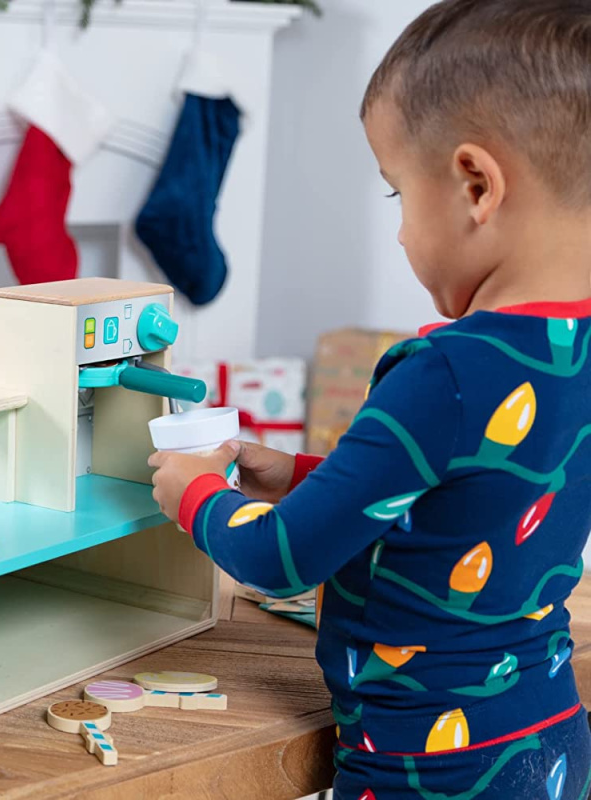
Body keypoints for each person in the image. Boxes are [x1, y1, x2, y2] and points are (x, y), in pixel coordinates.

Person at [149, 1, 591, 797]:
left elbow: (281, 559)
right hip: (551, 736)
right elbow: (472, 492)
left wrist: (195, 495)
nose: (396, 233)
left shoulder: (448, 369)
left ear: (475, 185)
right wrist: (301, 474)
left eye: (395, 195)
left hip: (427, 765)